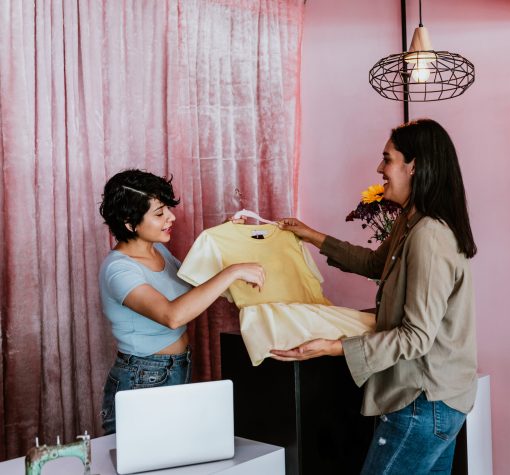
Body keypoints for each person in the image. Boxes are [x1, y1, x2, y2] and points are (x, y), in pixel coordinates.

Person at [272, 119, 477, 475]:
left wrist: (334, 346)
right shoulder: (412, 223)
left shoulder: (429, 235)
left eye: (388, 159)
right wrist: (311, 236)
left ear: (414, 166)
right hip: (438, 401)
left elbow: (416, 337)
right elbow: (375, 262)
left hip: (422, 402)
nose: (379, 169)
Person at [98, 169, 265, 435]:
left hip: (176, 367)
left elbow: (194, 288)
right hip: (143, 378)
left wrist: (223, 235)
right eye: (160, 213)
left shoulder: (158, 250)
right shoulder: (118, 270)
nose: (171, 218)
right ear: (130, 223)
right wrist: (232, 272)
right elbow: (172, 315)